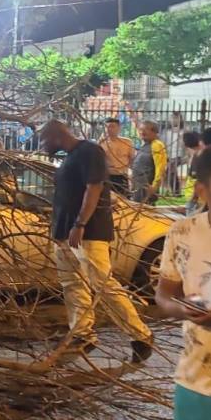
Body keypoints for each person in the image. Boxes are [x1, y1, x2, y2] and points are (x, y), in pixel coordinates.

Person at [40, 120, 154, 362]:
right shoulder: (69, 158)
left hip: (87, 233)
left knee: (102, 284)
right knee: (73, 285)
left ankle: (141, 335)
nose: (42, 145)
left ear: (57, 135)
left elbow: (94, 189)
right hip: (64, 233)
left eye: (44, 139)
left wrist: (80, 224)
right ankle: (82, 334)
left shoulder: (90, 151)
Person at [154, 145, 211, 420]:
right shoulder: (182, 233)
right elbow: (163, 297)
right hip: (194, 383)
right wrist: (182, 310)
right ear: (202, 189)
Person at [130, 120, 168, 204]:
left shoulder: (157, 145)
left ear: (155, 131)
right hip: (139, 186)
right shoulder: (146, 145)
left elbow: (160, 167)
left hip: (148, 187)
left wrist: (155, 186)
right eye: (140, 129)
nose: (142, 132)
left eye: (146, 129)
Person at [99, 117, 136, 196]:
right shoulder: (101, 143)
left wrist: (129, 173)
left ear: (119, 128)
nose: (109, 129)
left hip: (121, 176)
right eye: (106, 126)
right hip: (107, 176)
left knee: (123, 200)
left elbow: (132, 159)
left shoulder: (127, 142)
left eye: (112, 126)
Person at [165, 111, 187, 195]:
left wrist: (179, 135)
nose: (174, 120)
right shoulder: (166, 131)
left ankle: (176, 192)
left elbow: (184, 146)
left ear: (180, 119)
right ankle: (174, 191)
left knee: (171, 170)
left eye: (177, 118)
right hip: (168, 155)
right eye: (173, 118)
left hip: (178, 155)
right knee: (169, 172)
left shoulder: (183, 131)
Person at [183, 132, 204, 215]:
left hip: (196, 198)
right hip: (196, 197)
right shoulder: (198, 155)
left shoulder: (198, 156)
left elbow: (198, 179)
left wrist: (194, 197)